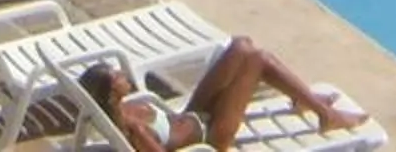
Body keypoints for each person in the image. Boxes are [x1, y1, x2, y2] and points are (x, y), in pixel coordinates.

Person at [77, 44, 370, 152]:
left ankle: (308, 100)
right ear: (113, 93)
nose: (125, 77)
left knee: (241, 47)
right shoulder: (136, 130)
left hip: (191, 116)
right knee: (258, 59)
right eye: (119, 78)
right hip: (212, 134)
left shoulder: (116, 110)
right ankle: (323, 113)